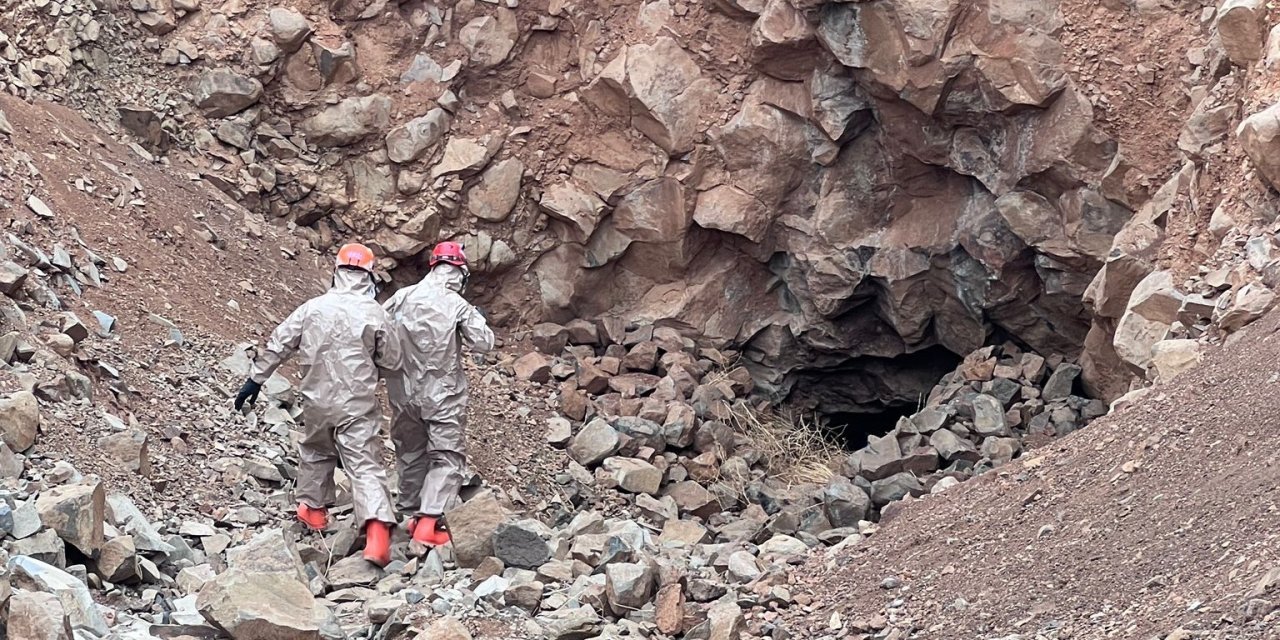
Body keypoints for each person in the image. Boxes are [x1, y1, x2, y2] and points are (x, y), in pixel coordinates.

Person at [234, 243, 402, 566]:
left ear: (336, 271)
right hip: (356, 404)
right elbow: (393, 361)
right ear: (369, 276)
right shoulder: (375, 313)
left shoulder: (313, 308)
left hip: (315, 400)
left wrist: (256, 379)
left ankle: (312, 512)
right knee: (364, 465)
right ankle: (377, 536)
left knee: (315, 450)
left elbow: (280, 342)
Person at [382, 241, 494, 552]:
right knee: (447, 457)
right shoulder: (457, 304)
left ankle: (411, 515)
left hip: (402, 393)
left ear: (434, 267)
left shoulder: (401, 297)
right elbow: (484, 343)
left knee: (410, 452)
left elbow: (375, 330)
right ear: (460, 272)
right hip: (442, 395)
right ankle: (428, 524)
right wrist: (479, 318)